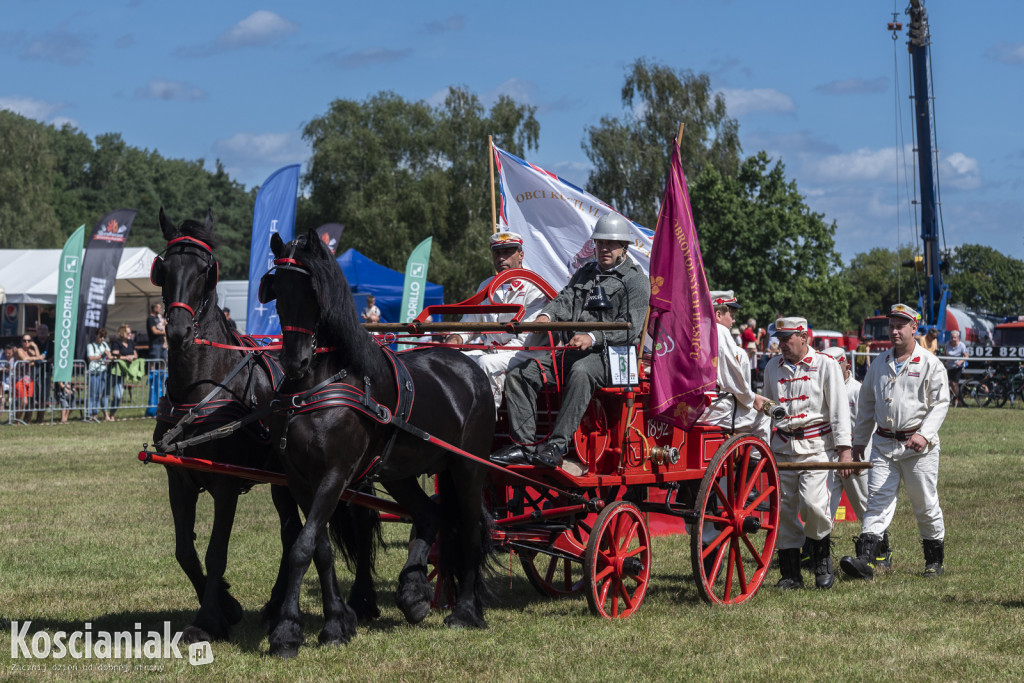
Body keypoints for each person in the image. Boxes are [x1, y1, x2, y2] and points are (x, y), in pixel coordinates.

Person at [492, 213, 650, 468]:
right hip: (574, 351)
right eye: (599, 243)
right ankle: (524, 446)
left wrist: (592, 336)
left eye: (610, 244)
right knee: (520, 375)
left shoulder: (636, 281)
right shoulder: (585, 273)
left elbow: (632, 331)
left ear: (624, 246)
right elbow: (564, 300)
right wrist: (546, 316)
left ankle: (556, 445)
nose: (604, 248)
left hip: (616, 359)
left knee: (581, 371)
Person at [840, 303, 950, 580]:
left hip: (918, 449)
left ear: (915, 328)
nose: (894, 330)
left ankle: (933, 560)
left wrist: (923, 434)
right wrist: (857, 444)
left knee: (924, 502)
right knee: (876, 500)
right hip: (883, 445)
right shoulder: (879, 363)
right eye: (891, 325)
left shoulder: (929, 363)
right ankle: (865, 560)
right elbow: (865, 407)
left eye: (901, 325)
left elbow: (940, 403)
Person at [763, 316, 851, 590]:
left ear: (804, 337)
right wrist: (762, 446)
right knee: (785, 510)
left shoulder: (825, 364)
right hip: (782, 448)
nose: (782, 346)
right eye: (779, 340)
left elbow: (838, 409)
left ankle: (821, 558)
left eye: (787, 340)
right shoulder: (772, 367)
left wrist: (844, 449)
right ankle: (790, 574)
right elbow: (767, 408)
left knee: (814, 505)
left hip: (816, 448)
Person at [444, 232, 548, 412]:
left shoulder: (535, 287)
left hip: (528, 353)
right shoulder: (486, 285)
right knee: (449, 360)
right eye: (497, 253)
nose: (501, 257)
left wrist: (490, 352)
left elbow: (526, 339)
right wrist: (456, 339)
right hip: (493, 352)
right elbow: (469, 323)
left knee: (487, 363)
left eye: (508, 252)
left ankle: (485, 424)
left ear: (521, 255)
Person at [698, 291, 770, 441]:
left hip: (689, 405)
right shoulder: (720, 331)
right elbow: (732, 379)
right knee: (763, 417)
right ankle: (752, 463)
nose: (734, 320)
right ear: (718, 315)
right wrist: (752, 398)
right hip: (712, 407)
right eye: (731, 315)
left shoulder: (692, 329)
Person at [108, 323, 137, 418]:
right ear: (122, 333)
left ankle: (111, 413)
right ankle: (103, 415)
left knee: (118, 396)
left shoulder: (131, 342)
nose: (130, 334)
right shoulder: (116, 343)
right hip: (113, 371)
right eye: (128, 332)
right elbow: (115, 354)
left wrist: (131, 357)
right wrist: (126, 357)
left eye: (130, 332)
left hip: (122, 373)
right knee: (105, 393)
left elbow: (135, 355)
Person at [86, 327, 113, 422]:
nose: (102, 339)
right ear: (96, 336)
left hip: (103, 371)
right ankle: (89, 414)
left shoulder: (105, 345)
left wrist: (109, 358)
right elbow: (91, 358)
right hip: (93, 372)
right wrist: (102, 355)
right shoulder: (90, 346)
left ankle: (95, 413)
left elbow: (109, 357)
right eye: (100, 336)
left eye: (103, 337)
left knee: (99, 394)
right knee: (92, 394)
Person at [13, 333, 42, 423]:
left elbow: (39, 359)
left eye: (29, 341)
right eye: (24, 340)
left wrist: (36, 346)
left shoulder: (31, 352)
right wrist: (35, 358)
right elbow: (25, 359)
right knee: (24, 402)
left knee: (30, 402)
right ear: (21, 342)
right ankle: (17, 420)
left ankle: (25, 420)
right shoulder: (19, 350)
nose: (26, 342)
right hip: (20, 379)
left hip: (29, 379)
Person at [32, 323, 54, 423]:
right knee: (32, 395)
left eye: (44, 330)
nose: (42, 332)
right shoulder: (32, 342)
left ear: (48, 333)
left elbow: (55, 355)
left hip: (46, 372)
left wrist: (50, 359)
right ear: (37, 331)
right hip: (33, 372)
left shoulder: (51, 343)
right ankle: (27, 418)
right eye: (40, 330)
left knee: (43, 396)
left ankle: (40, 418)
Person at [944, 330, 968, 406]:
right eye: (952, 337)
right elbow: (945, 355)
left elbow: (966, 356)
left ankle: (960, 400)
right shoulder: (947, 344)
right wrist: (943, 362)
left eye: (954, 337)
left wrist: (961, 361)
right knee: (951, 384)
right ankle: (957, 399)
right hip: (949, 367)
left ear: (958, 338)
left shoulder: (962, 345)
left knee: (954, 383)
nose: (953, 339)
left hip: (958, 367)